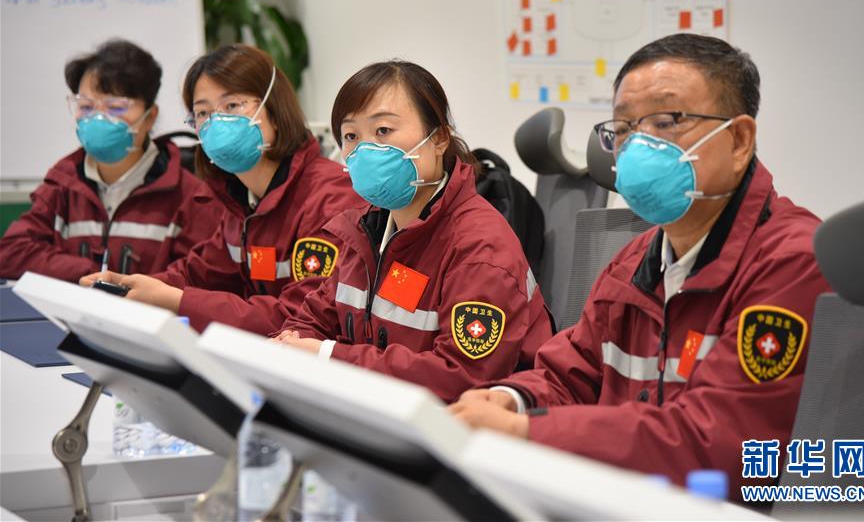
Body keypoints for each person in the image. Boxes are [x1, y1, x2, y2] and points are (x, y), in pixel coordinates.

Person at [449, 34, 831, 499]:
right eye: (625, 128)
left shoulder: (793, 263)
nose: (639, 145)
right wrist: (511, 399)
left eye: (666, 121)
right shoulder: (633, 260)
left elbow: (717, 443)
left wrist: (528, 432)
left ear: (739, 140)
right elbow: (569, 374)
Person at [273, 60, 555, 402]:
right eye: (351, 136)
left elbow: (462, 378)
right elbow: (315, 317)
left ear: (439, 139)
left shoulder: (480, 247)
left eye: (383, 131)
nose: (364, 150)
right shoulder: (366, 229)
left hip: (468, 425)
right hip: (377, 412)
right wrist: (292, 343)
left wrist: (328, 357)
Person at [80, 44, 364, 334]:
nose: (216, 122)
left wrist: (175, 300)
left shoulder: (329, 198)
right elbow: (200, 272)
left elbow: (298, 316)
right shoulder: (239, 199)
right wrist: (128, 285)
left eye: (232, 106)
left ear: (275, 110)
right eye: (203, 112)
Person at [0, 39, 221, 282]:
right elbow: (10, 253)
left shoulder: (188, 195)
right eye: (86, 106)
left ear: (150, 116)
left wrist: (123, 289)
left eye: (115, 107)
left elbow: (200, 277)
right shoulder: (63, 183)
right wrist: (89, 275)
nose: (98, 118)